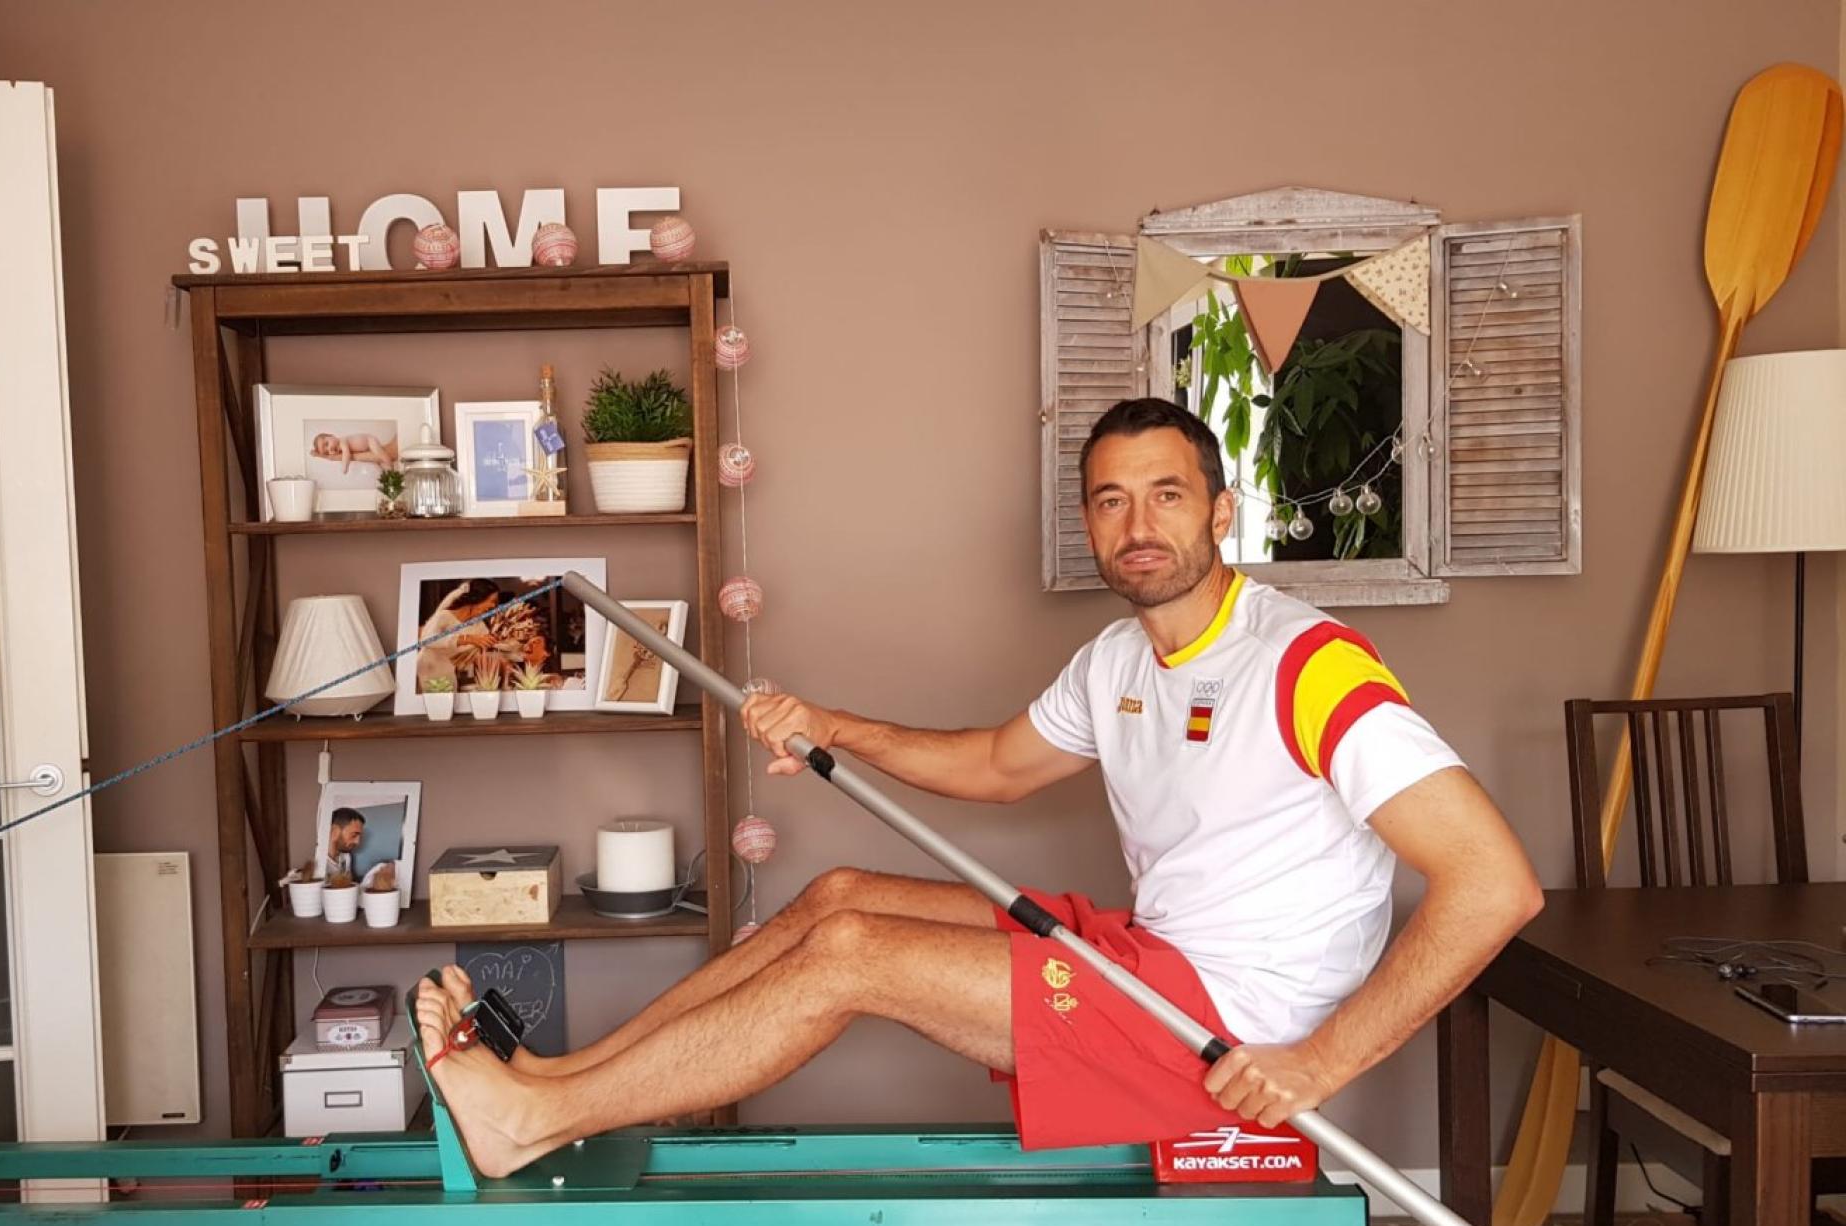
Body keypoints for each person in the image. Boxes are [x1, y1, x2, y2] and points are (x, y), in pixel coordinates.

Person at [417, 397, 1544, 1179]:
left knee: (857, 961)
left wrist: (1323, 1059)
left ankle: (532, 1124)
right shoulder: (1119, 661)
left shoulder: (1308, 665)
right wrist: (826, 725)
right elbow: (996, 766)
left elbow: (1494, 884)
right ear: (1090, 521)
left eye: (1166, 495)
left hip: (1226, 1030)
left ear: (1220, 509)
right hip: (1153, 961)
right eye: (1111, 501)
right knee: (842, 896)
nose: (1138, 526)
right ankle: (558, 1079)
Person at [308, 429, 398, 474]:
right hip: (367, 448)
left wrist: (345, 467)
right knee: (378, 462)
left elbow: (346, 454)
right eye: (326, 452)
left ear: (332, 436)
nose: (329, 449)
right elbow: (333, 457)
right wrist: (321, 455)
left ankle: (390, 464)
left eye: (326, 444)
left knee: (380, 454)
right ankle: (388, 469)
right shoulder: (339, 448)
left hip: (369, 440)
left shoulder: (342, 441)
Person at [325, 808, 365, 880]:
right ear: (335, 831)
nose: (357, 842)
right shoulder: (319, 862)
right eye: (354, 835)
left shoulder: (346, 857)